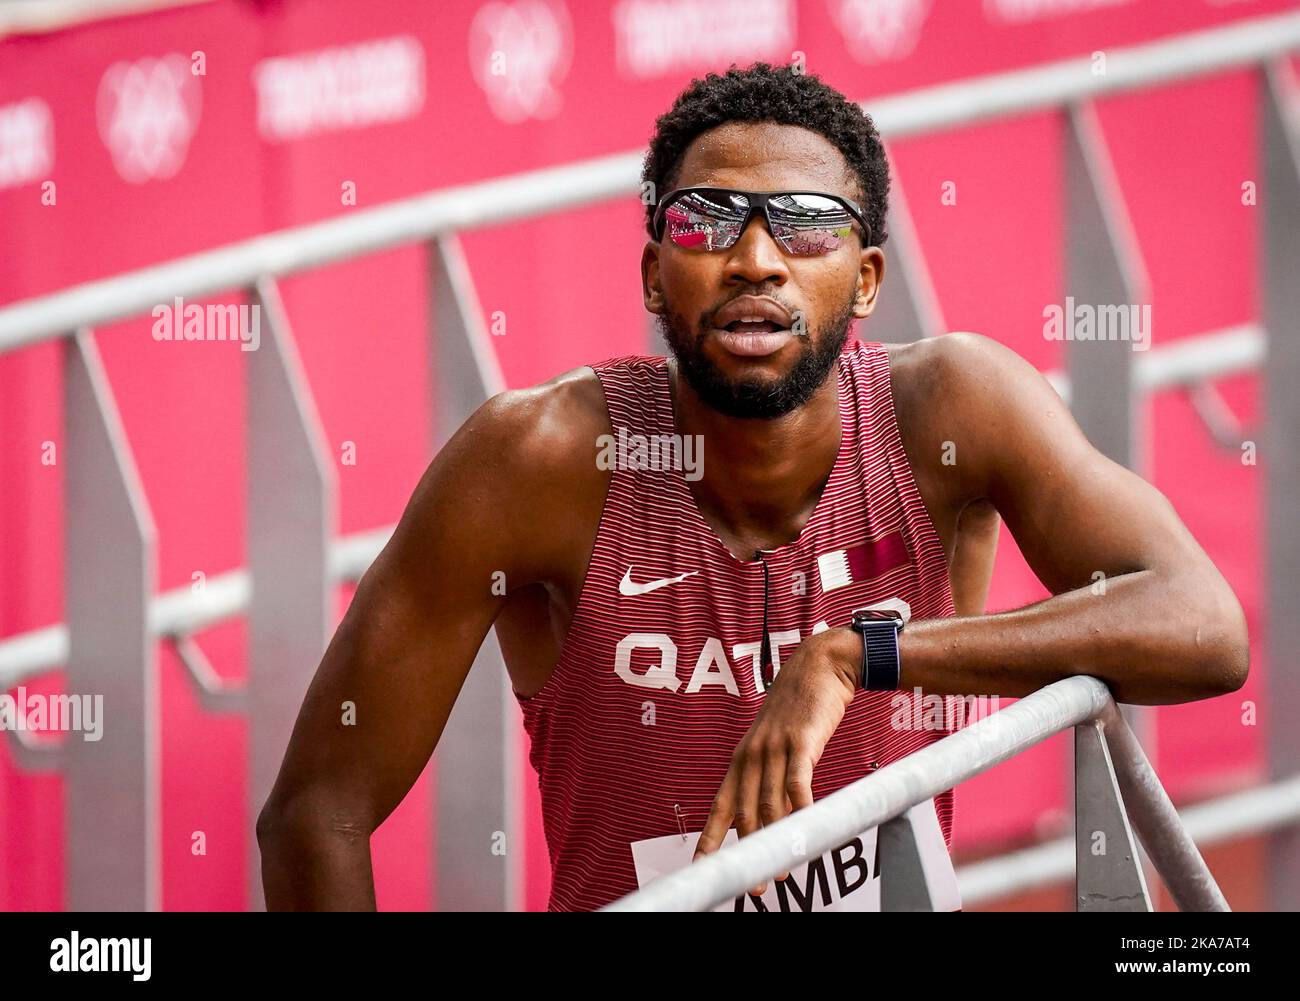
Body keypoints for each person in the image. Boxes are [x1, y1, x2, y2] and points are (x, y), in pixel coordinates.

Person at [256, 63, 1248, 912]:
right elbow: (314, 808)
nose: (755, 259)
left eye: (807, 226)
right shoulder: (535, 462)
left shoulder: (952, 408)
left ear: (863, 280)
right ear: (654, 272)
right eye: (707, 221)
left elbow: (1202, 626)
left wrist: (858, 655)